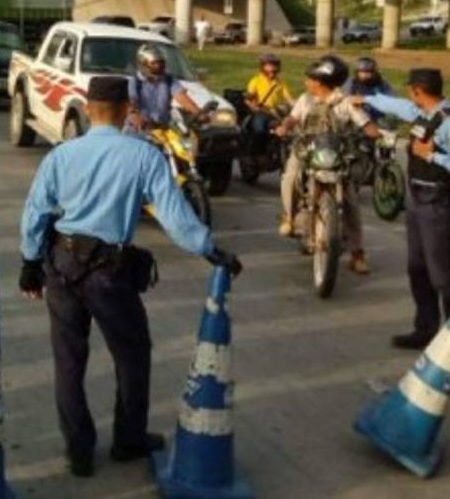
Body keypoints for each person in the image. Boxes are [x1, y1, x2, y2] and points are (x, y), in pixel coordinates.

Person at [19, 75, 243, 479]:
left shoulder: (61, 155)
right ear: (126, 110)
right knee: (132, 354)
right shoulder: (144, 156)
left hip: (62, 265)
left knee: (69, 361)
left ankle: (79, 452)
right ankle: (128, 440)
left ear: (89, 109)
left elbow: (36, 212)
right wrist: (212, 251)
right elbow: (176, 217)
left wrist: (30, 263)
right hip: (109, 272)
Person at [350, 68, 450, 349]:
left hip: (438, 203)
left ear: (418, 91)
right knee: (417, 270)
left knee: (442, 276)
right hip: (417, 199)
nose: (409, 95)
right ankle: (425, 330)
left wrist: (433, 156)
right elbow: (398, 106)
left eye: (411, 90)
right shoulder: (424, 113)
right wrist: (366, 100)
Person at [275, 55, 379, 274]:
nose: (306, 82)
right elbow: (293, 118)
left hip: (337, 155)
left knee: (351, 202)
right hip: (307, 150)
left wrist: (376, 133)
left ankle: (357, 253)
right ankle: (289, 216)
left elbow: (365, 122)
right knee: (290, 177)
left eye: (310, 79)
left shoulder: (345, 102)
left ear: (321, 83)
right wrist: (285, 126)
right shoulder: (305, 99)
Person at [126, 43, 201, 133]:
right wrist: (134, 114)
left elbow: (182, 97)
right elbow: (131, 101)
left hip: (162, 129)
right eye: (154, 63)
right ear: (143, 64)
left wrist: (199, 113)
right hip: (139, 129)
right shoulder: (135, 82)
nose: (158, 66)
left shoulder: (168, 80)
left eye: (160, 62)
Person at [243, 53, 293, 150]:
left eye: (275, 68)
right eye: (269, 67)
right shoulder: (255, 81)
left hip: (276, 112)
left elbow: (289, 99)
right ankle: (258, 151)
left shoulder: (280, 82)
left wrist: (297, 106)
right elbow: (248, 99)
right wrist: (254, 107)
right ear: (262, 67)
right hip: (261, 111)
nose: (272, 71)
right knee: (259, 129)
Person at [344, 57, 393, 123]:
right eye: (361, 72)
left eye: (368, 72)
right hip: (357, 115)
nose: (364, 75)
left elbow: (391, 98)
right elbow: (346, 98)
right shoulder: (352, 82)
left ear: (374, 72)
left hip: (377, 116)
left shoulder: (381, 83)